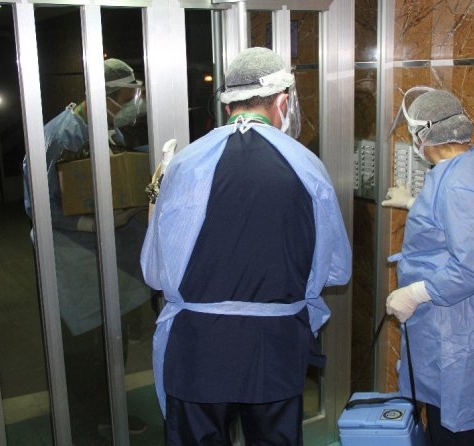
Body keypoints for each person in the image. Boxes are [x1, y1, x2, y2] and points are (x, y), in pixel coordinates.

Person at [141, 47, 352, 445]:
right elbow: (336, 268)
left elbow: (155, 272)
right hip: (274, 350)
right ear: (283, 102)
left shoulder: (186, 164)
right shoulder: (306, 166)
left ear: (227, 105)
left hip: (198, 351)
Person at [382, 87, 474, 446]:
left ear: (423, 135)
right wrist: (416, 203)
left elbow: (473, 266)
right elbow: (468, 224)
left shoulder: (458, 185)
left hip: (461, 320)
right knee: (455, 420)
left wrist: (416, 292)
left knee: (459, 426)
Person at [22, 58, 149, 444]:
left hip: (109, 256)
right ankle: (81, 428)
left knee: (112, 342)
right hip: (71, 258)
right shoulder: (59, 137)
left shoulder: (110, 132)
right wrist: (91, 224)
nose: (130, 106)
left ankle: (109, 413)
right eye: (125, 99)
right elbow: (38, 204)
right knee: (80, 352)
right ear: (102, 96)